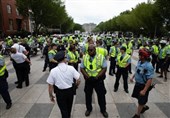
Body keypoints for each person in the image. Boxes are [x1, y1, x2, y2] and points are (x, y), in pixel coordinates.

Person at [47, 51, 81, 118]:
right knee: (69, 107)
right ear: (64, 59)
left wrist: (51, 95)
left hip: (60, 93)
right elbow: (78, 80)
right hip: (70, 91)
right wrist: (76, 86)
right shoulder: (71, 68)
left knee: (63, 109)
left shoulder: (53, 71)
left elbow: (50, 85)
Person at [80, 44, 108, 118]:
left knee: (101, 95)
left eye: (91, 50)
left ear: (95, 49)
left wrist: (97, 77)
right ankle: (89, 109)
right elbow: (82, 68)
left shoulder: (101, 57)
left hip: (98, 80)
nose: (89, 51)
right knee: (88, 95)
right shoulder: (85, 57)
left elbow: (104, 68)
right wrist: (87, 76)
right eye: (88, 50)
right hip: (88, 80)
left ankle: (103, 110)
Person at [130, 48, 154, 118]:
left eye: (139, 55)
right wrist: (133, 77)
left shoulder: (148, 66)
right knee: (138, 97)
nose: (138, 56)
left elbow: (150, 79)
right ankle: (144, 106)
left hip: (143, 85)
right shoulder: (140, 62)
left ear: (143, 56)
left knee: (141, 101)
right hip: (137, 84)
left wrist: (144, 90)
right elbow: (138, 70)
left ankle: (137, 115)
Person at [0, 45, 12, 109]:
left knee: (4, 91)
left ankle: (8, 102)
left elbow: (1, 65)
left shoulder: (0, 57)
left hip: (1, 76)